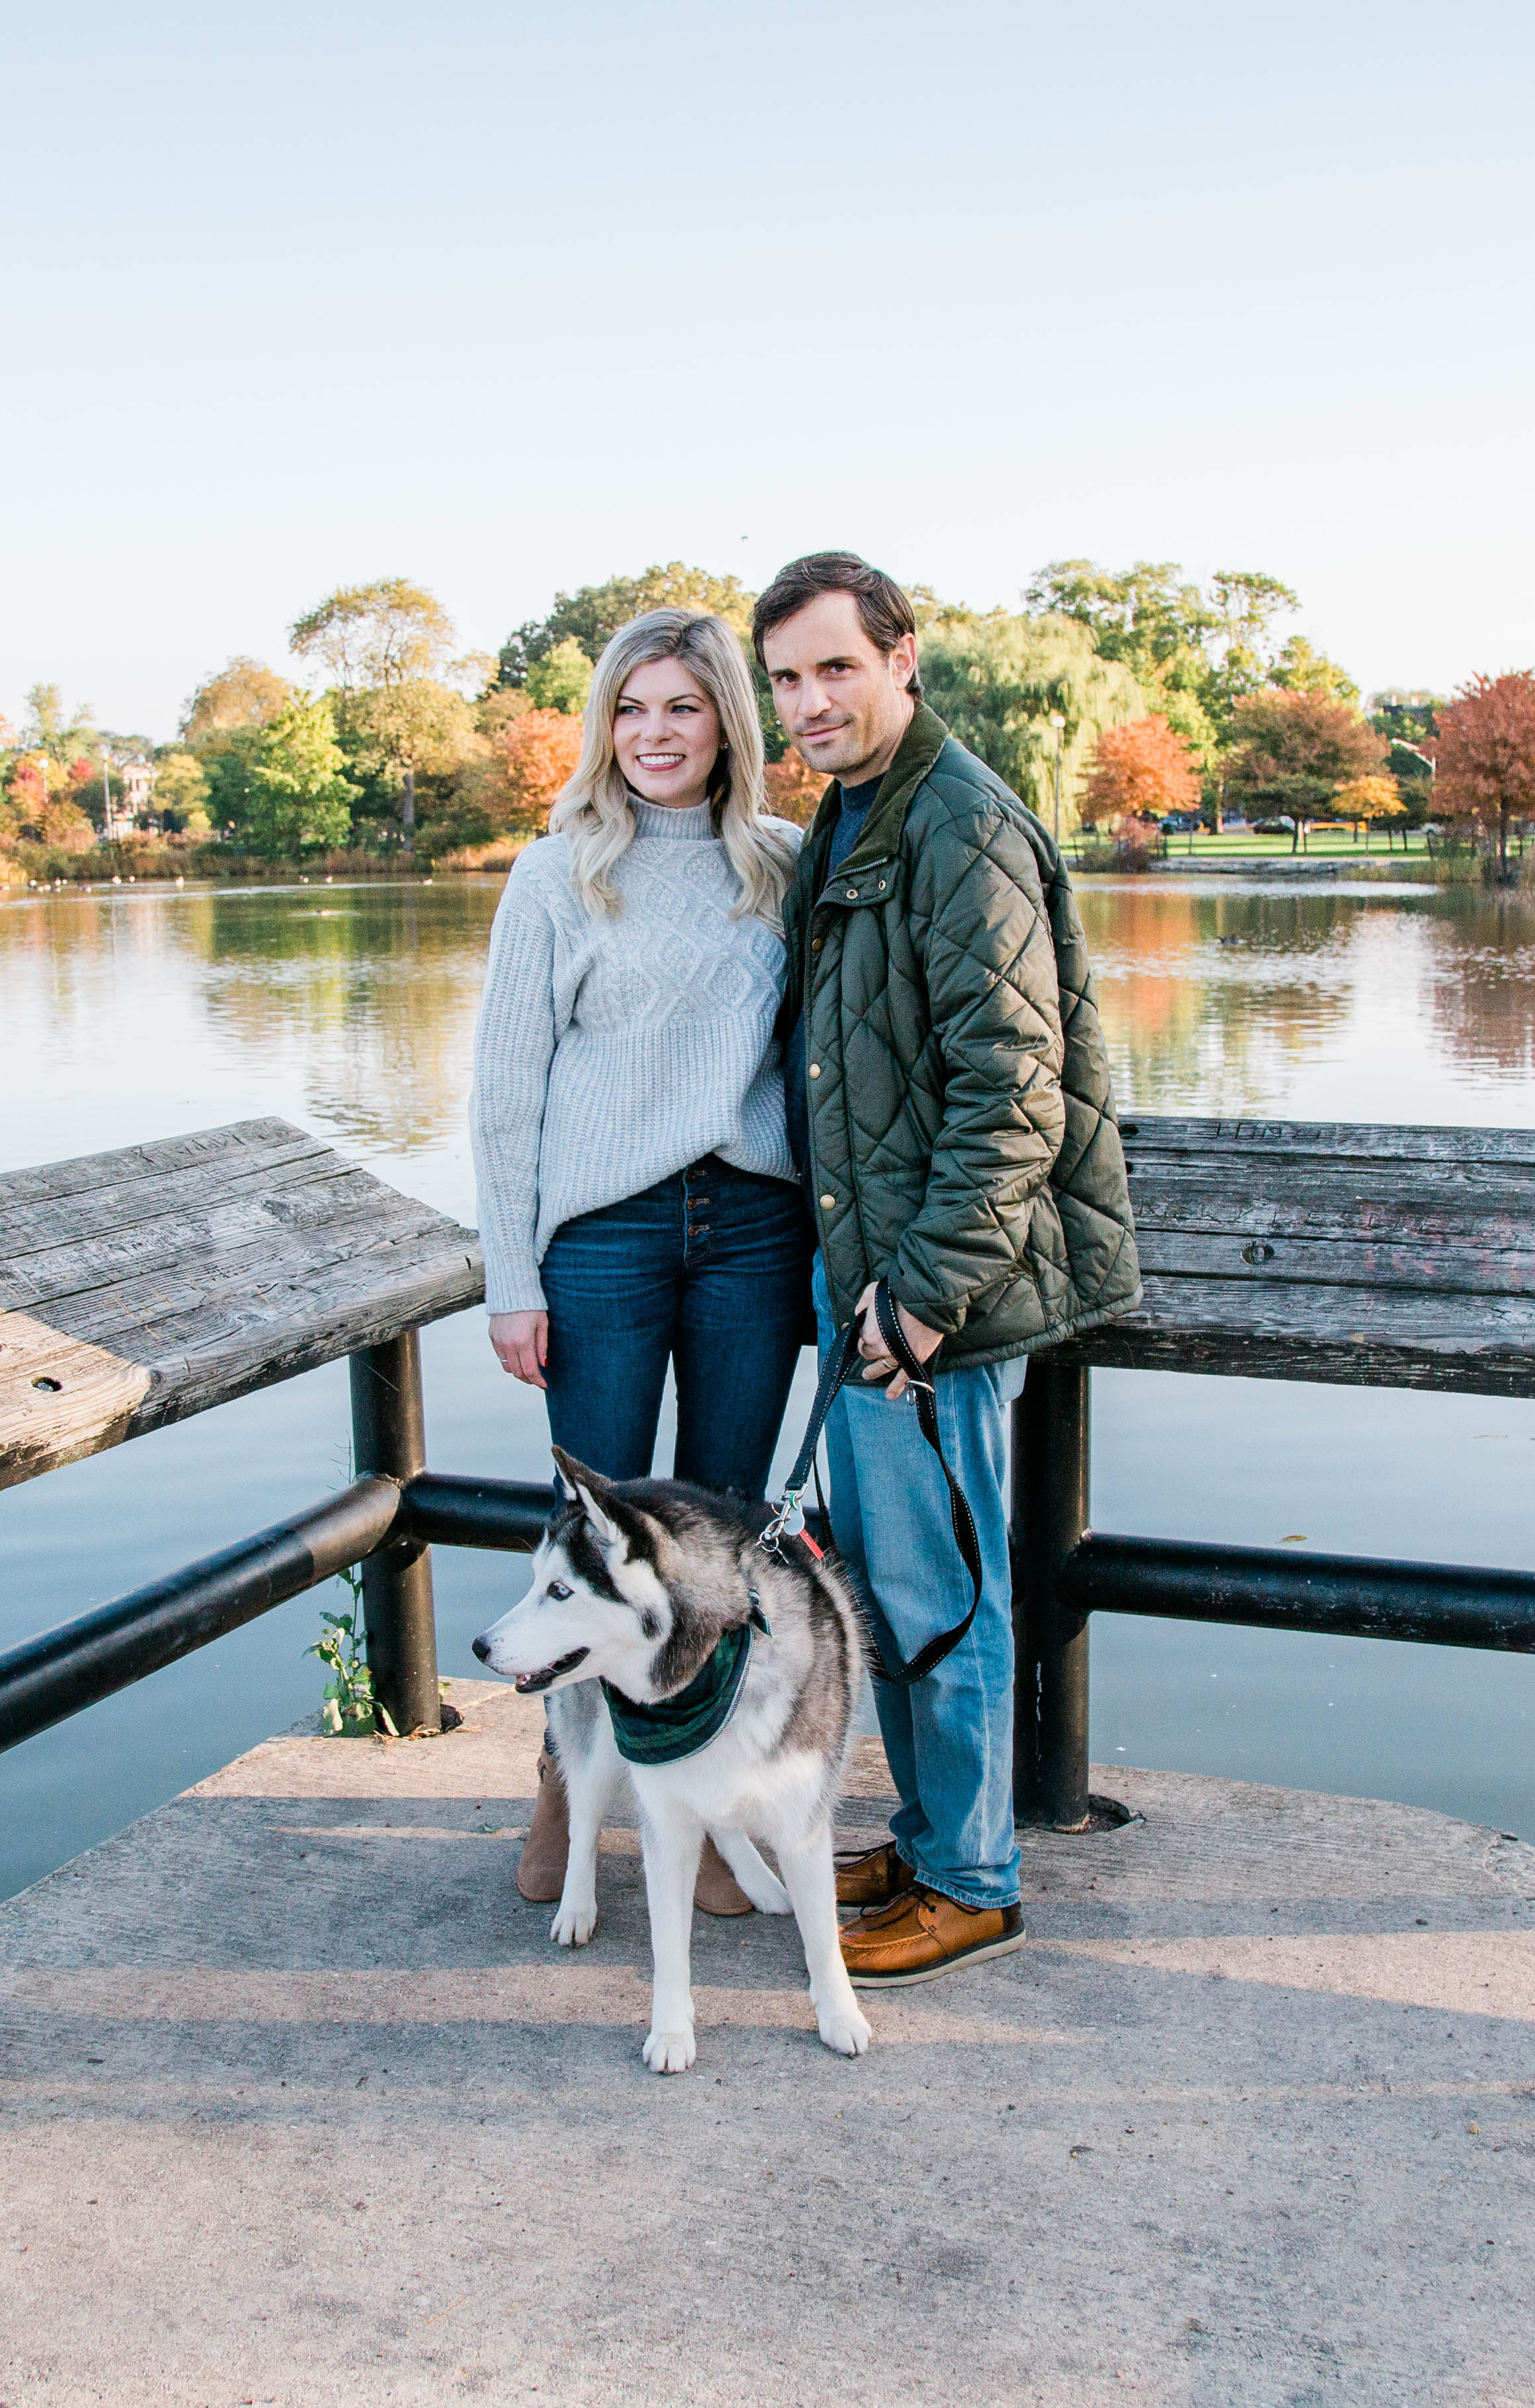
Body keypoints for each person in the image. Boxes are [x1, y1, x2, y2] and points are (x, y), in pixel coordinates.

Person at [754, 551, 1140, 1990]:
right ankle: (930, 1837)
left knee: (948, 1596)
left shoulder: (958, 826)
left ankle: (973, 1879)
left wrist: (920, 1299)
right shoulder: (862, 815)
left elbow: (1014, 1094)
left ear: (903, 659)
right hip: (874, 1281)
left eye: (836, 667)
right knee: (899, 1586)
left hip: (935, 1303)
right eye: (787, 677)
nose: (810, 701)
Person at [471, 607, 812, 1918]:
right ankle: (568, 1785)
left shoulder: (786, 863)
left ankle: (714, 1808)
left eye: (682, 706)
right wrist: (515, 1275)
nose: (655, 734)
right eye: (630, 709)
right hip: (603, 1242)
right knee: (590, 1530)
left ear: (728, 717)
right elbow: (506, 1091)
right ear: (603, 727)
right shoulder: (557, 872)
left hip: (753, 1231)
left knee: (722, 1536)